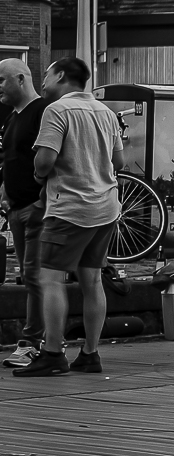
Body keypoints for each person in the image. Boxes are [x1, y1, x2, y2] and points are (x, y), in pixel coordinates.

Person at [15, 58, 123, 377]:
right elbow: (119, 159)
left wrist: (37, 176)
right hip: (106, 207)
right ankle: (90, 353)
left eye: (46, 75)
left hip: (70, 208)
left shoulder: (57, 110)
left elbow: (45, 160)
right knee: (91, 280)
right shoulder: (106, 112)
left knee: (50, 279)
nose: (43, 80)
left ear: (61, 75)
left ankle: (52, 353)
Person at [0, 59, 49, 368]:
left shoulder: (42, 112)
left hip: (35, 208)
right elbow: (12, 159)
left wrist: (42, 200)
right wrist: (4, 190)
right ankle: (32, 341)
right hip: (16, 209)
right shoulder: (12, 118)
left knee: (35, 276)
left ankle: (33, 342)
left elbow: (51, 158)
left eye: (2, 81)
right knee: (27, 277)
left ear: (20, 79)